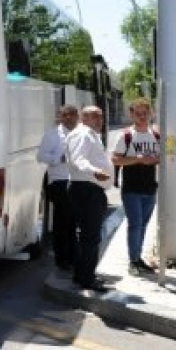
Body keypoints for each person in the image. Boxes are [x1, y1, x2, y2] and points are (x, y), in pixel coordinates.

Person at [65, 105, 113, 293]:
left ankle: (83, 275)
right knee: (90, 237)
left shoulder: (90, 134)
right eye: (95, 116)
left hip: (89, 189)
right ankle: (87, 278)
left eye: (100, 116)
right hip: (86, 189)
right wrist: (95, 172)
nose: (100, 120)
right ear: (84, 118)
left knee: (87, 236)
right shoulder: (83, 134)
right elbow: (78, 159)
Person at [110, 97, 161, 276]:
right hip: (131, 188)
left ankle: (138, 258)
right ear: (132, 115)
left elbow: (163, 157)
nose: (142, 116)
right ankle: (133, 261)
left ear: (150, 113)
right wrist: (138, 159)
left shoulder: (156, 135)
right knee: (135, 224)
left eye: (145, 113)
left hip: (150, 187)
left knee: (143, 225)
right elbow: (115, 159)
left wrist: (155, 159)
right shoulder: (126, 135)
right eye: (138, 113)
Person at [36, 104, 79, 272]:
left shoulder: (81, 133)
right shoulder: (52, 135)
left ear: (77, 117)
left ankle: (73, 257)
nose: (68, 118)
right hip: (59, 182)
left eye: (72, 114)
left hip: (77, 181)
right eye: (65, 115)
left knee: (73, 221)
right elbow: (40, 156)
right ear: (60, 117)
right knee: (63, 222)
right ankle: (62, 259)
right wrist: (58, 159)